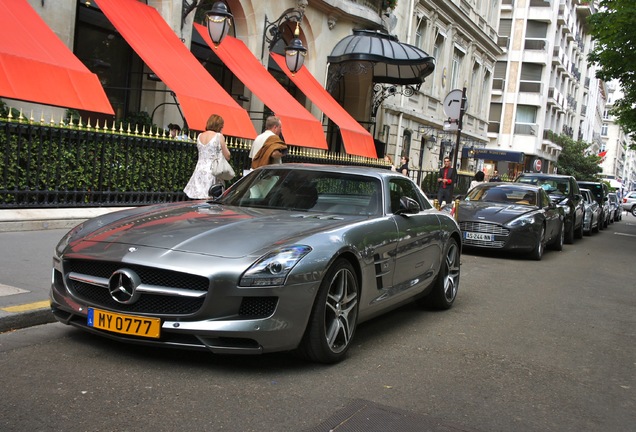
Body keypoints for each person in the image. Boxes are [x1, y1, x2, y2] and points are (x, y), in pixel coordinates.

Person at [183, 114, 231, 199]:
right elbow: (227, 156)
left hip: (199, 169)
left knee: (198, 197)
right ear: (219, 126)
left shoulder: (200, 136)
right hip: (213, 171)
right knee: (210, 198)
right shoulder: (218, 136)